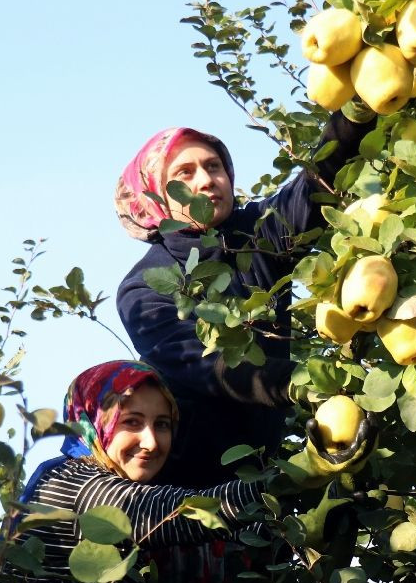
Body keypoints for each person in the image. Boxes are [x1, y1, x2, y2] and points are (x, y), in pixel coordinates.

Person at [7, 360, 373, 583]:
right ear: (92, 422)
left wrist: (298, 533)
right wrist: (295, 474)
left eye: (162, 424)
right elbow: (173, 515)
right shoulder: (69, 484)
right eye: (131, 422)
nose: (151, 441)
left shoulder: (128, 504)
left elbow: (207, 549)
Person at [115, 112, 372, 486]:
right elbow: (208, 365)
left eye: (213, 166)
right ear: (155, 195)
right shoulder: (143, 290)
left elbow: (317, 184)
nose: (206, 180)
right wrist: (299, 383)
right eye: (184, 173)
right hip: (179, 492)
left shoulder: (257, 236)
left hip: (261, 486)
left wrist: (356, 110)